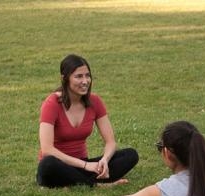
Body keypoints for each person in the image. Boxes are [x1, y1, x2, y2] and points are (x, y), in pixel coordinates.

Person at [36, 54, 139, 188]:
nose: (85, 81)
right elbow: (47, 150)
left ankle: (79, 181)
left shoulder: (95, 101)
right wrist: (86, 165)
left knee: (130, 155)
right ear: (64, 78)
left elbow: (110, 142)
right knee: (47, 164)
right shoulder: (52, 104)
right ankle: (97, 184)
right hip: (58, 165)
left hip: (83, 164)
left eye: (87, 75)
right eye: (79, 76)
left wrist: (104, 161)